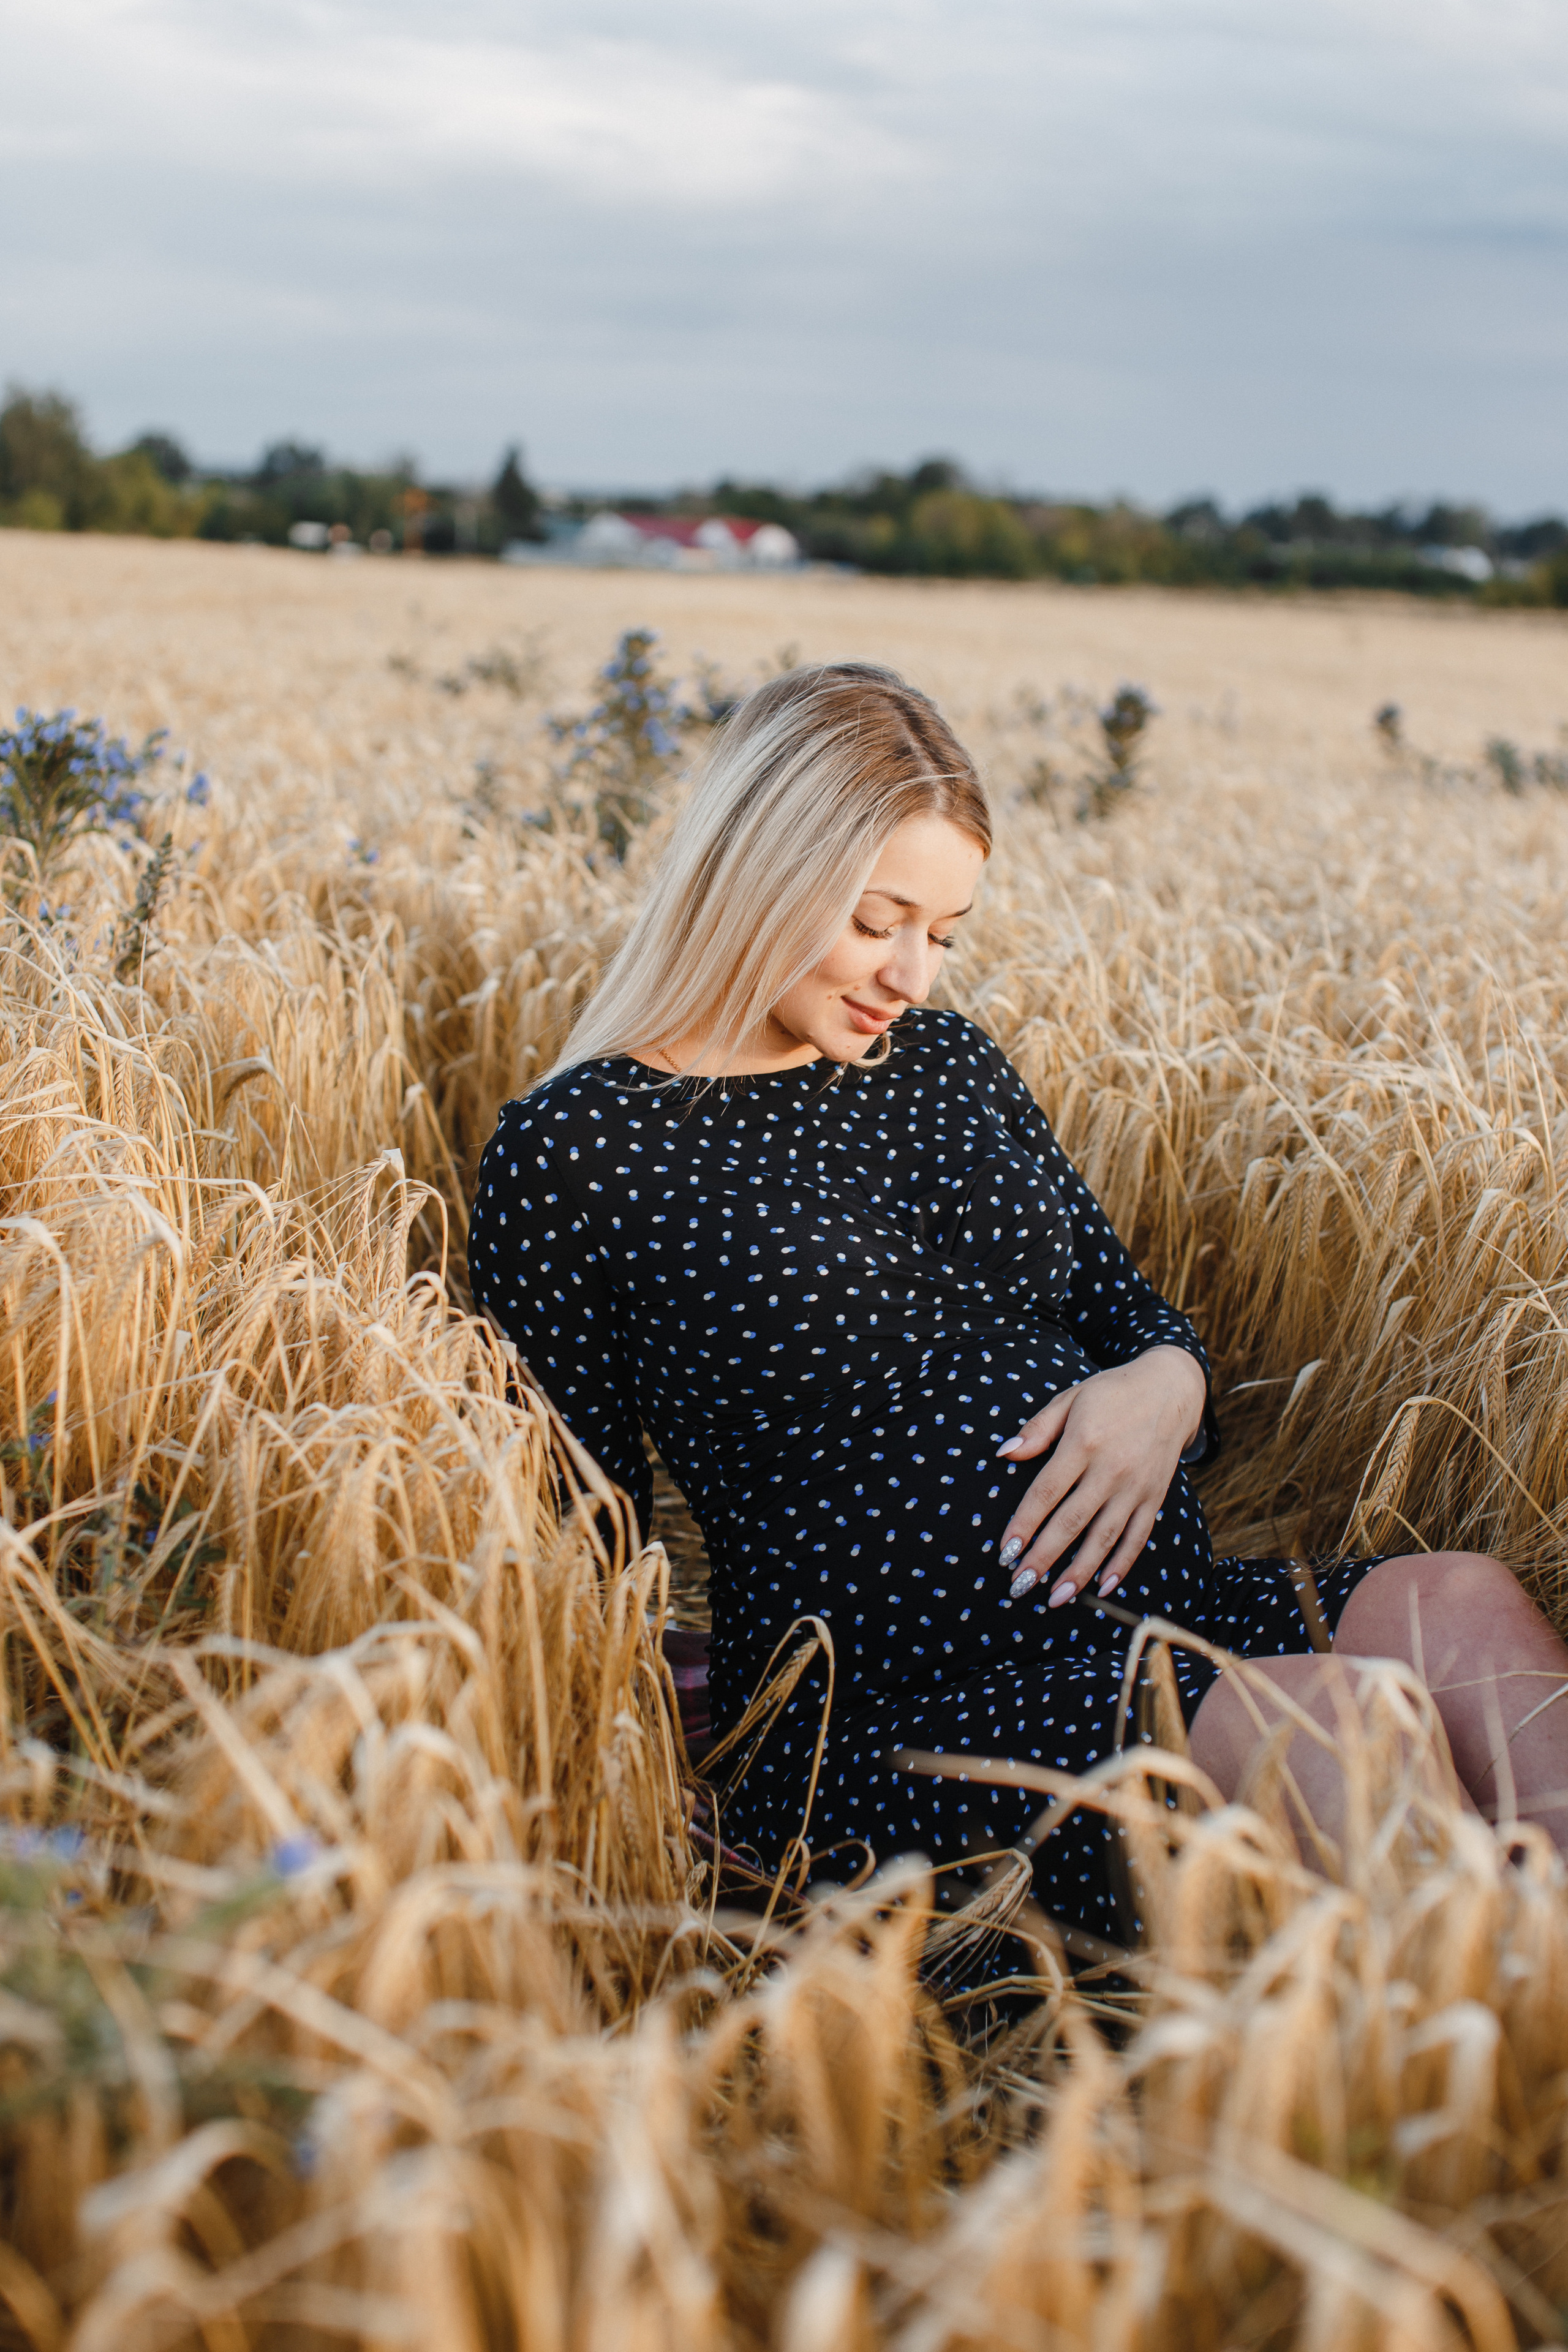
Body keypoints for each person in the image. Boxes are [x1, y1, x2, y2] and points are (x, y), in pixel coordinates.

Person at [469, 662, 1568, 1944]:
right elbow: (567, 1530)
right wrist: (627, 1754)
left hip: (1151, 1606)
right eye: (877, 920)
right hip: (906, 1699)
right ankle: (1486, 2048)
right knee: (1340, 1719)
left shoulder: (941, 1063)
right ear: (756, 871)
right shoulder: (578, 1148)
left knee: (1461, 1605)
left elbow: (1130, 1314)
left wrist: (1162, 1391)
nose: (911, 977)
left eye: (942, 933)